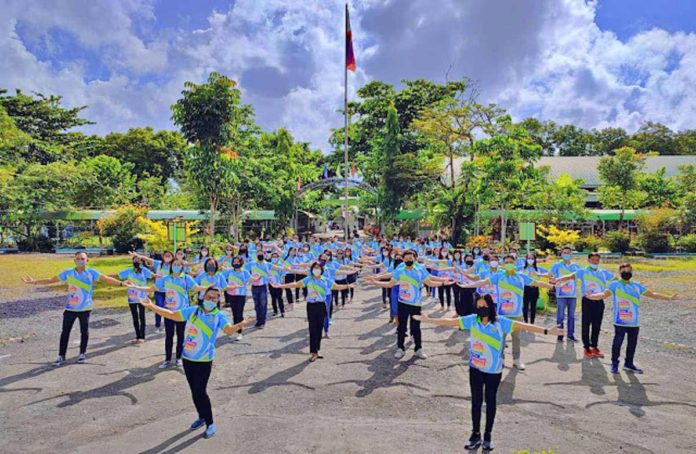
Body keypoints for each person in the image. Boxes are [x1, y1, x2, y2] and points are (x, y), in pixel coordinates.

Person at [415, 294, 563, 451]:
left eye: (484, 306)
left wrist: (548, 331)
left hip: (494, 371)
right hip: (475, 368)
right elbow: (450, 322)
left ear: (490, 306)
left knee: (490, 402)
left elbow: (524, 326)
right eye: (478, 306)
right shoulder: (473, 320)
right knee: (476, 402)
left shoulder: (501, 322)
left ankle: (488, 435)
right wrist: (428, 320)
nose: (481, 309)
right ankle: (475, 434)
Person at [139, 288, 254, 439]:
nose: (211, 300)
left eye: (215, 298)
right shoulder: (193, 311)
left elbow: (227, 330)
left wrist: (242, 324)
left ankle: (210, 423)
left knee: (200, 391)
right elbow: (173, 315)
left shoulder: (218, 315)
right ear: (203, 297)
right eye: (209, 297)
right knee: (194, 391)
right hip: (188, 358)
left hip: (204, 360)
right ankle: (201, 416)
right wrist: (151, 306)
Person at [22, 251, 134, 366]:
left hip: (85, 308)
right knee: (65, 332)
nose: (80, 260)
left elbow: (105, 278)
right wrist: (35, 281)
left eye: (83, 258)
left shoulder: (91, 272)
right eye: (78, 259)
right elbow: (52, 279)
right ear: (74, 260)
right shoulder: (68, 273)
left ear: (87, 260)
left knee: (84, 332)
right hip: (70, 308)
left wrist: (121, 283)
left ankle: (82, 354)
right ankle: (61, 355)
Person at [456, 255, 556, 370]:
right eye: (506, 262)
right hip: (502, 314)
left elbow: (537, 283)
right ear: (503, 264)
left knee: (516, 338)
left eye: (511, 262)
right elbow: (482, 282)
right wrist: (467, 286)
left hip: (517, 314)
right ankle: (501, 359)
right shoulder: (499, 276)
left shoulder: (521, 277)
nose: (509, 264)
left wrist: (551, 286)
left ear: (514, 263)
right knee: (501, 338)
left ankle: (516, 360)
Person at [585, 262, 679, 374]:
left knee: (632, 344)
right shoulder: (614, 285)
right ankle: (614, 363)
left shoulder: (637, 285)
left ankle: (628, 364)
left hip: (634, 322)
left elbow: (653, 294)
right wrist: (592, 297)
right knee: (617, 343)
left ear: (632, 272)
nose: (626, 273)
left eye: (628, 271)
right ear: (619, 272)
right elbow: (604, 295)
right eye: (624, 271)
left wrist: (669, 298)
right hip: (620, 321)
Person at [367, 249, 449, 360]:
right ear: (403, 259)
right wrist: (375, 282)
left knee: (416, 327)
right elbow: (390, 284)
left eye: (410, 258)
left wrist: (443, 283)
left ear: (415, 259)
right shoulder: (400, 269)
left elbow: (429, 282)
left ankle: (418, 349)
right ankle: (400, 348)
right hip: (403, 302)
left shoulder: (420, 269)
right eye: (406, 259)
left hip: (416, 303)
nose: (408, 260)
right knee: (401, 327)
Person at [133, 259, 213, 368]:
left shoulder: (186, 278)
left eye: (178, 265)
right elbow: (151, 288)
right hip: (168, 312)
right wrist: (135, 287)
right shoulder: (165, 279)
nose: (176, 266)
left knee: (181, 336)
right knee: (169, 336)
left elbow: (197, 288)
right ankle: (167, 359)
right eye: (174, 264)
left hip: (182, 313)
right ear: (171, 266)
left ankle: (178, 358)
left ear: (182, 266)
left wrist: (208, 287)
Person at [271, 262, 355, 362]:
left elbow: (336, 286)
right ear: (311, 269)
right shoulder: (308, 279)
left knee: (319, 329)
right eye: (315, 268)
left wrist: (348, 286)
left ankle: (317, 350)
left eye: (318, 268)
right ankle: (313, 352)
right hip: (311, 306)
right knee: (312, 329)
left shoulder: (325, 280)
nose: (316, 270)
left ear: (322, 270)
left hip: (321, 305)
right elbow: (296, 284)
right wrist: (280, 286)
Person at [557, 252, 615, 359]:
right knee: (586, 324)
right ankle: (586, 348)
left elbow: (616, 279)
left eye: (597, 260)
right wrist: (558, 279)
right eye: (593, 260)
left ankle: (594, 347)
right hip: (587, 300)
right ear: (588, 260)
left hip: (599, 300)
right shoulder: (582, 271)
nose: (595, 262)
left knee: (597, 325)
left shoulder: (603, 272)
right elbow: (570, 276)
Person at [118, 255, 155, 343]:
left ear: (141, 262)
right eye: (135, 260)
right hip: (132, 297)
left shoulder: (144, 271)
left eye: (138, 260)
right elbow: (119, 276)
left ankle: (142, 336)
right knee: (135, 317)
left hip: (142, 297)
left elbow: (153, 275)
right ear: (132, 261)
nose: (136, 261)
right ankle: (137, 335)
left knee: (142, 316)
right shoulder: (129, 271)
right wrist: (124, 282)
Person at [550, 246, 581, 342]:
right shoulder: (557, 265)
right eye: (565, 253)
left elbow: (581, 276)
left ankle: (570, 335)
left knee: (571, 316)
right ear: (561, 254)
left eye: (568, 252)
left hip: (572, 295)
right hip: (561, 295)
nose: (567, 254)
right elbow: (551, 276)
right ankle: (560, 335)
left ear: (571, 254)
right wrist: (553, 282)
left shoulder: (576, 266)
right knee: (560, 316)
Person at [222, 256, 251, 341]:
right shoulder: (229, 272)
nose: (236, 263)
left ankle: (240, 332)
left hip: (241, 295)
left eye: (238, 262)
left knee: (239, 313)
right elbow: (220, 276)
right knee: (234, 313)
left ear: (241, 263)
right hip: (231, 295)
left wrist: (258, 278)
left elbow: (251, 279)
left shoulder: (245, 272)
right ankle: (236, 329)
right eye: (234, 262)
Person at [519, 252, 549, 325]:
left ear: (535, 259)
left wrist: (539, 274)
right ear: (526, 259)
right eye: (528, 258)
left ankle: (532, 323)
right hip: (525, 289)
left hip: (535, 288)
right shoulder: (522, 268)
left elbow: (549, 274)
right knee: (525, 306)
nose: (530, 260)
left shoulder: (538, 269)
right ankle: (525, 322)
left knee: (533, 307)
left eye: (532, 258)